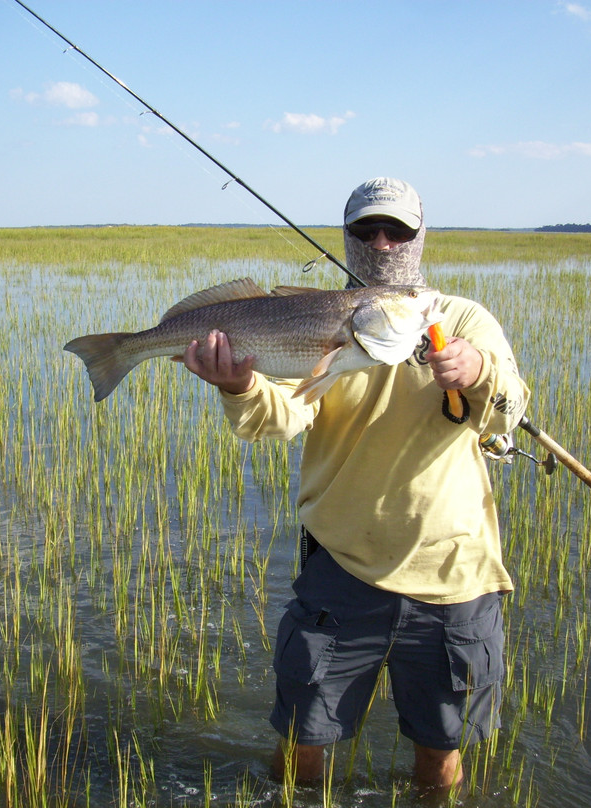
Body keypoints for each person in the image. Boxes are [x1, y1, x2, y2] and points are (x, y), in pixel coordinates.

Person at [181, 177, 529, 797]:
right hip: (340, 573)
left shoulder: (463, 319)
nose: (383, 241)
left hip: (453, 578)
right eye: (367, 229)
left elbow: (506, 410)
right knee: (301, 748)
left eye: (397, 229)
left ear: (421, 237)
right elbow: (281, 416)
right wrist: (237, 386)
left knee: (440, 757)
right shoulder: (314, 322)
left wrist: (477, 370)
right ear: (347, 238)